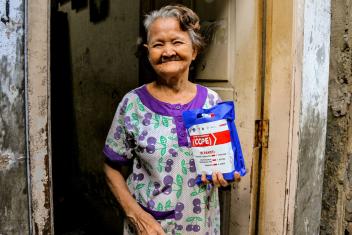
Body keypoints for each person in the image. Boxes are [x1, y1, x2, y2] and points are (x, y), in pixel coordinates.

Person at [103, 5, 241, 235]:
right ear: (148, 53)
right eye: (158, 44)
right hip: (151, 228)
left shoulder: (212, 102)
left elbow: (225, 163)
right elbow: (110, 167)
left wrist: (226, 175)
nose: (167, 51)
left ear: (194, 50)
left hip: (202, 227)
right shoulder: (133, 104)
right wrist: (136, 216)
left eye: (177, 42)